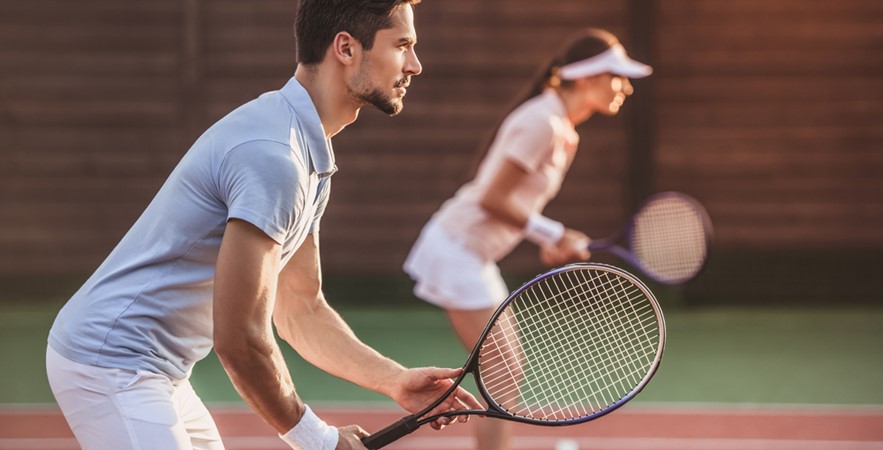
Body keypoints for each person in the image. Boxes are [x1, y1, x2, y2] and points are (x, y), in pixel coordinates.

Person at [45, 1, 483, 449]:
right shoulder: (275, 157)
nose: (416, 65)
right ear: (346, 48)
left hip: (159, 369)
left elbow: (300, 308)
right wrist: (319, 439)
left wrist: (395, 380)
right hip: (111, 363)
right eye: (403, 45)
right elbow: (239, 339)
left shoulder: (303, 149)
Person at [403, 28, 653, 450]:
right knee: (503, 371)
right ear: (588, 76)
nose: (625, 87)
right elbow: (491, 198)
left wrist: (543, 237)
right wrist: (554, 232)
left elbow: (511, 204)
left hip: (472, 254)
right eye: (617, 76)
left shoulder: (558, 124)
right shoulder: (544, 122)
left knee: (503, 374)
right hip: (457, 250)